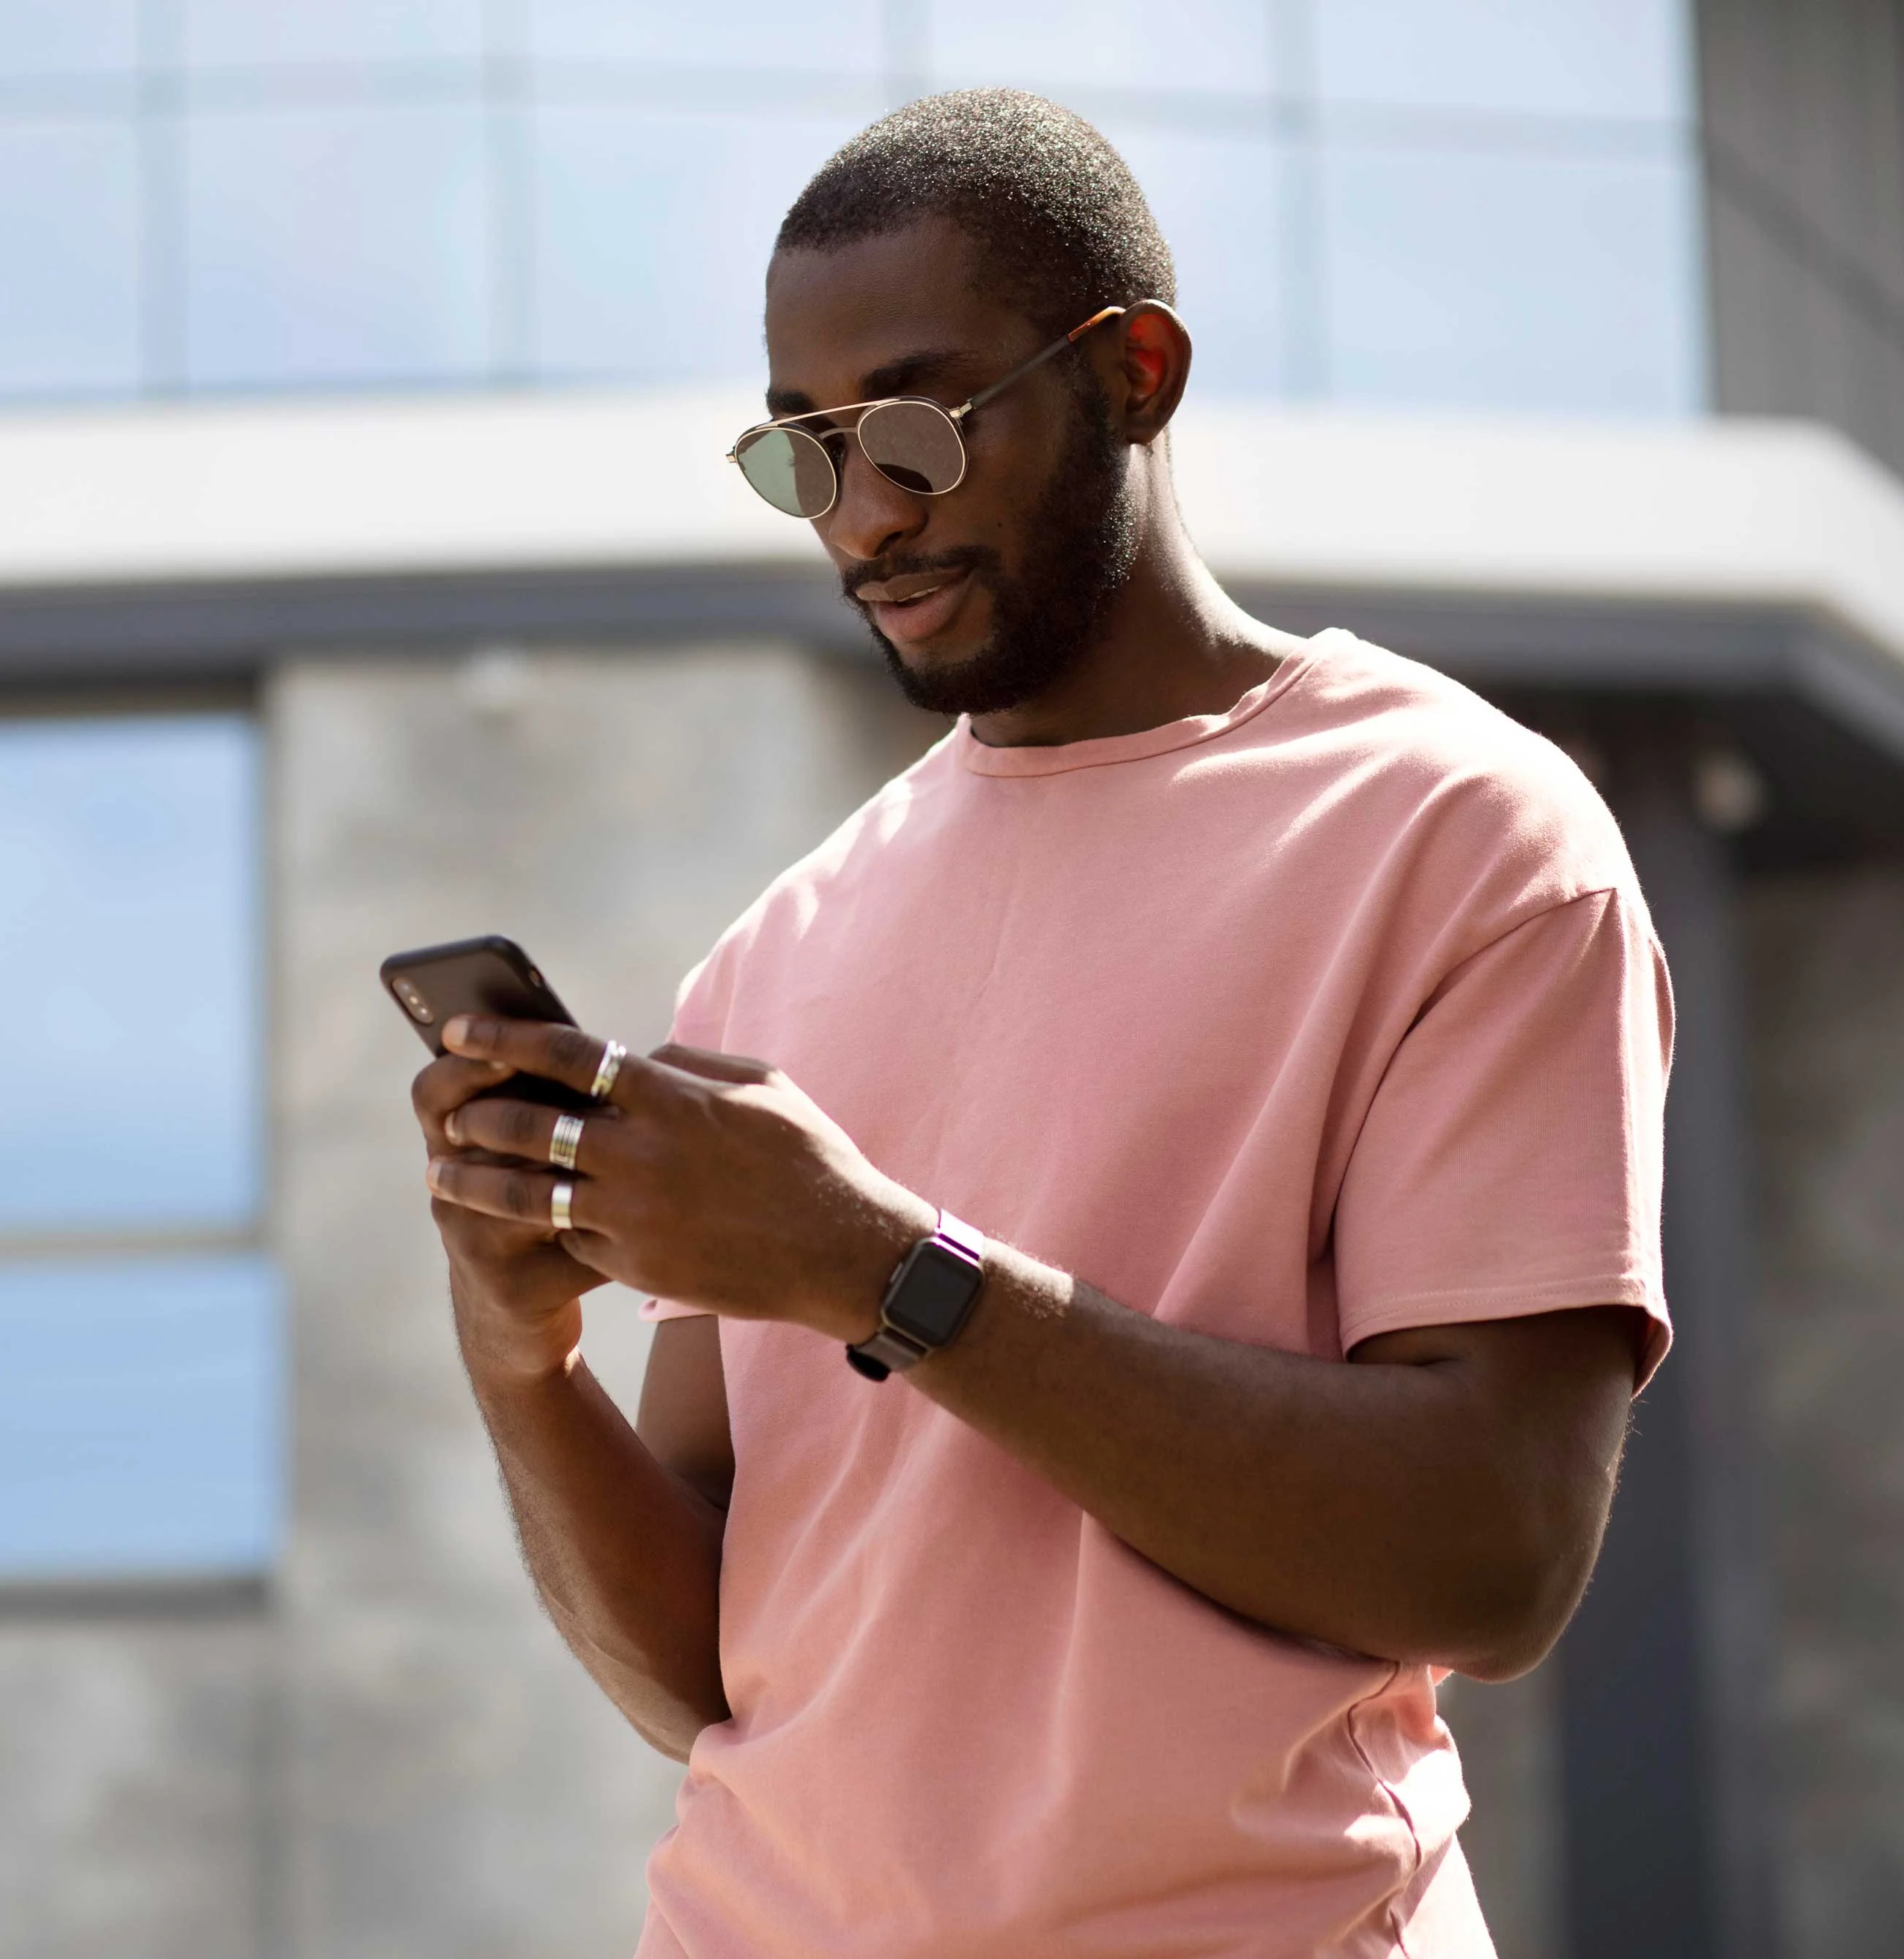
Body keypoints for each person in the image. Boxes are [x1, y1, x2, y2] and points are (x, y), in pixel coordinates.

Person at [413, 89, 1670, 1958]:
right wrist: (521, 1363)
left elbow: (1489, 1554)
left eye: (918, 426)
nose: (866, 514)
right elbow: (710, 1672)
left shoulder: (1464, 835)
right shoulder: (775, 954)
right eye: (805, 453)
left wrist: (875, 1267)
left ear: (1136, 372)